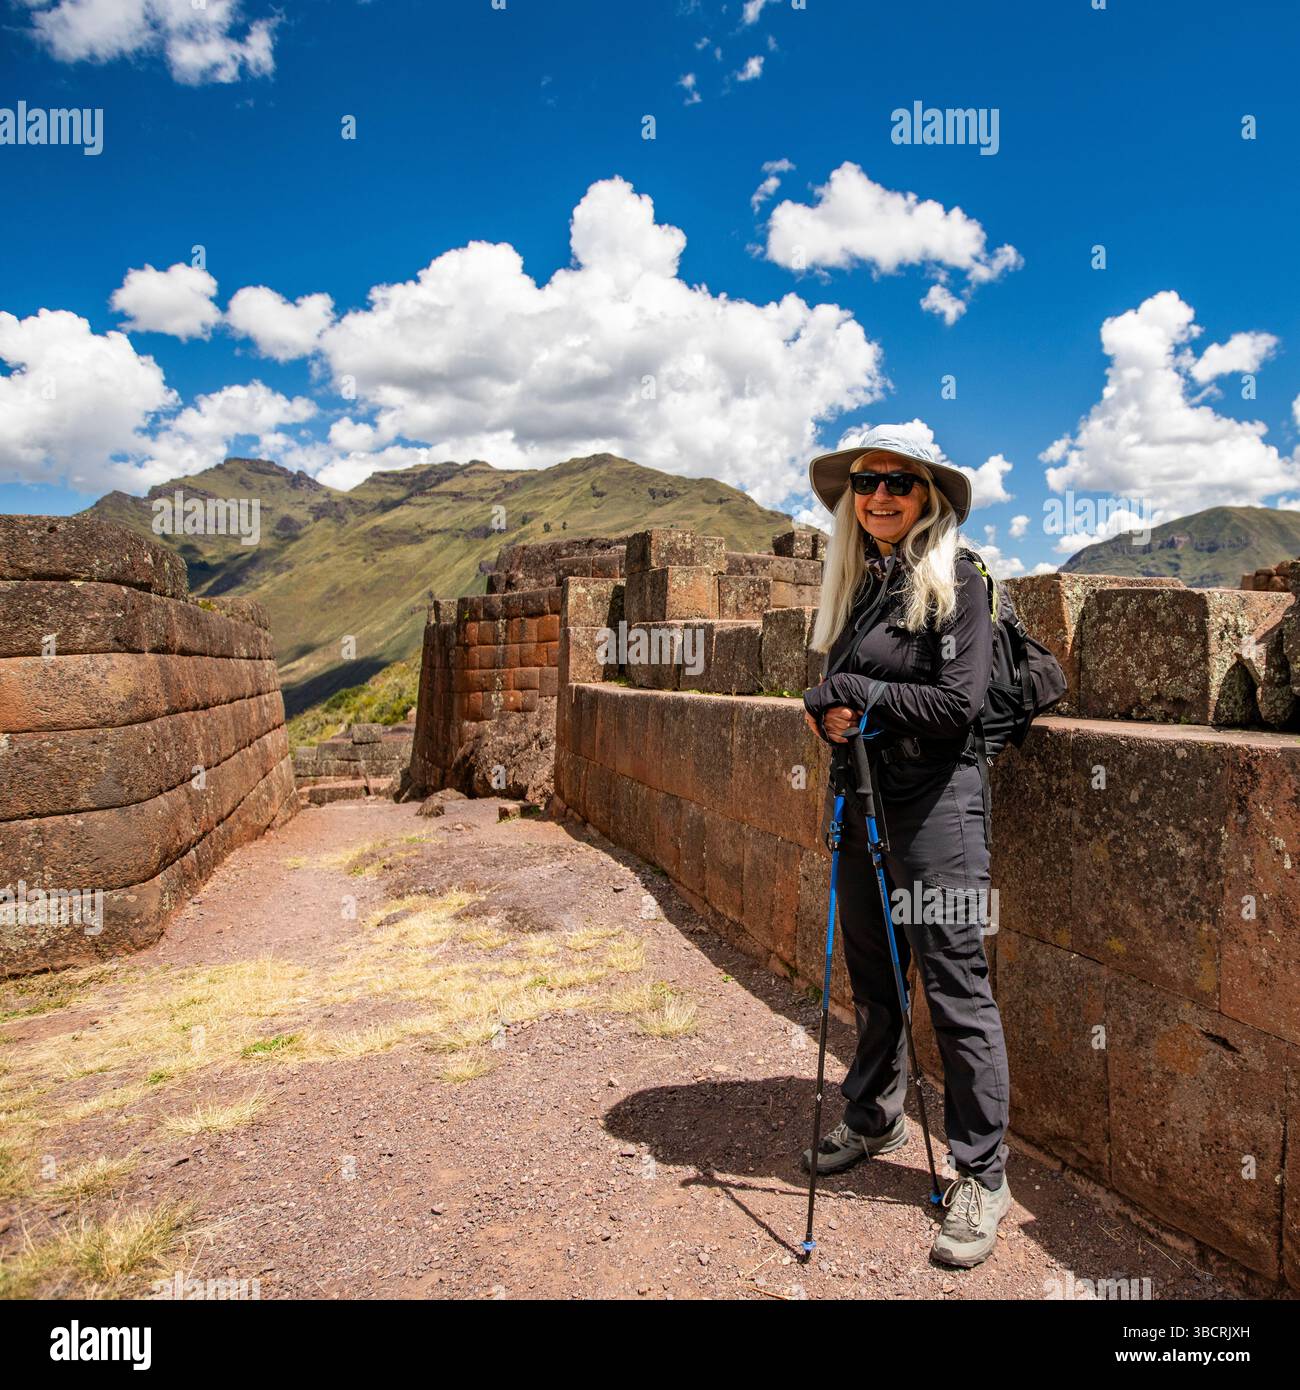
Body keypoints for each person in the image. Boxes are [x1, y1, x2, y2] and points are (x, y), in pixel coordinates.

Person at [798, 426, 1012, 1269]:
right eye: (865, 482)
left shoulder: (958, 579)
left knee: (957, 987)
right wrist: (828, 713)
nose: (880, 495)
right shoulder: (858, 584)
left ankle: (981, 1173)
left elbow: (956, 705)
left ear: (927, 496)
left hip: (939, 810)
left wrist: (849, 690)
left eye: (898, 482)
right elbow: (852, 704)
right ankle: (875, 1115)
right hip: (865, 804)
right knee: (875, 975)